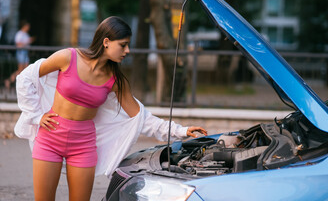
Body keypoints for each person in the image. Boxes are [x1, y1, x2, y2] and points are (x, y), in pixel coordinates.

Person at [14, 16, 207, 201]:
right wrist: (36, 116)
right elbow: (27, 77)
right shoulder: (68, 57)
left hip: (83, 146)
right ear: (106, 41)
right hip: (49, 138)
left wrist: (180, 130)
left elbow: (142, 118)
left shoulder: (116, 81)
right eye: (123, 45)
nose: (128, 50)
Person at [5, 20, 34, 89]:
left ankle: (23, 85)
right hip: (21, 53)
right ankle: (9, 80)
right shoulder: (19, 34)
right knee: (21, 70)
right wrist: (27, 42)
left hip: (25, 53)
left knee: (26, 69)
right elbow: (18, 45)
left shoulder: (26, 34)